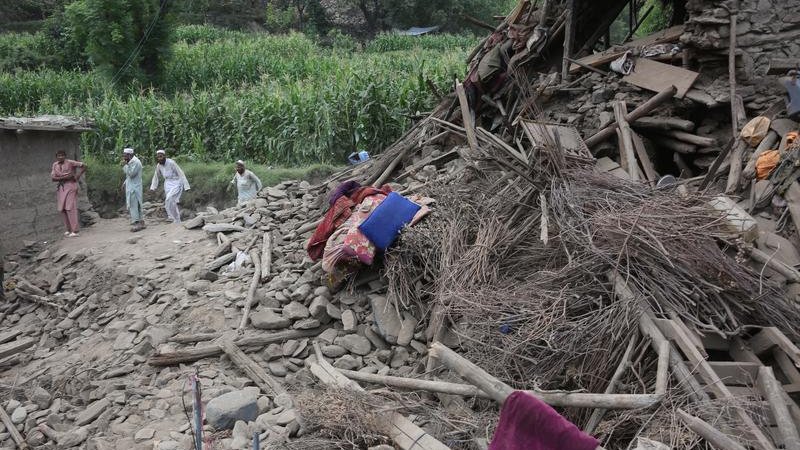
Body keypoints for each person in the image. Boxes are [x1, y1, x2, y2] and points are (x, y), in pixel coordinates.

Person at [50, 150, 86, 237]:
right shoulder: (55, 165)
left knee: (70, 207)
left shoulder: (70, 162)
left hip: (71, 186)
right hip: (61, 188)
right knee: (63, 209)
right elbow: (53, 178)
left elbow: (84, 165)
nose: (60, 157)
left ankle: (75, 230)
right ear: (56, 157)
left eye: (62, 155)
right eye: (59, 156)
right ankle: (68, 229)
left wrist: (77, 175)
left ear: (65, 156)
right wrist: (66, 176)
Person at [149, 149, 190, 223]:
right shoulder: (159, 165)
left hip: (176, 182)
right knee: (171, 202)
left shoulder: (171, 163)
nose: (159, 158)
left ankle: (174, 218)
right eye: (158, 157)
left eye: (161, 157)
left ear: (164, 156)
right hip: (167, 184)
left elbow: (181, 173)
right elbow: (156, 176)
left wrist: (186, 186)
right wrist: (153, 187)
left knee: (169, 199)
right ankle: (176, 219)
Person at [122, 147, 145, 232]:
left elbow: (131, 174)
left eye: (125, 156)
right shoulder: (130, 162)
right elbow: (129, 177)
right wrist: (124, 183)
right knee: (136, 204)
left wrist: (124, 166)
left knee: (134, 205)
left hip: (134, 187)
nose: (124, 158)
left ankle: (136, 223)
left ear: (130, 155)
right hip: (132, 186)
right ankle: (141, 222)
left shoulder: (135, 162)